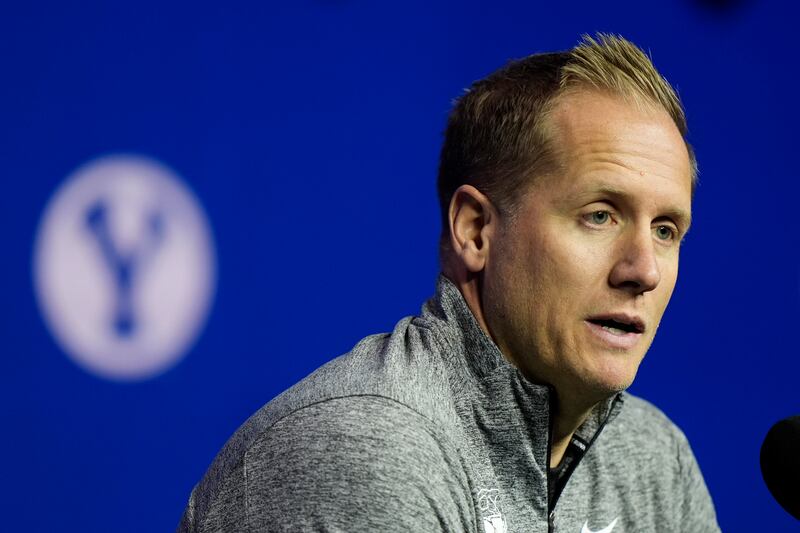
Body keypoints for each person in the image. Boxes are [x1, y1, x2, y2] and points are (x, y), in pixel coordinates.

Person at [178, 34, 719, 532]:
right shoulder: (369, 450)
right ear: (475, 230)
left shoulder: (654, 460)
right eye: (599, 215)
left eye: (666, 230)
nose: (644, 270)